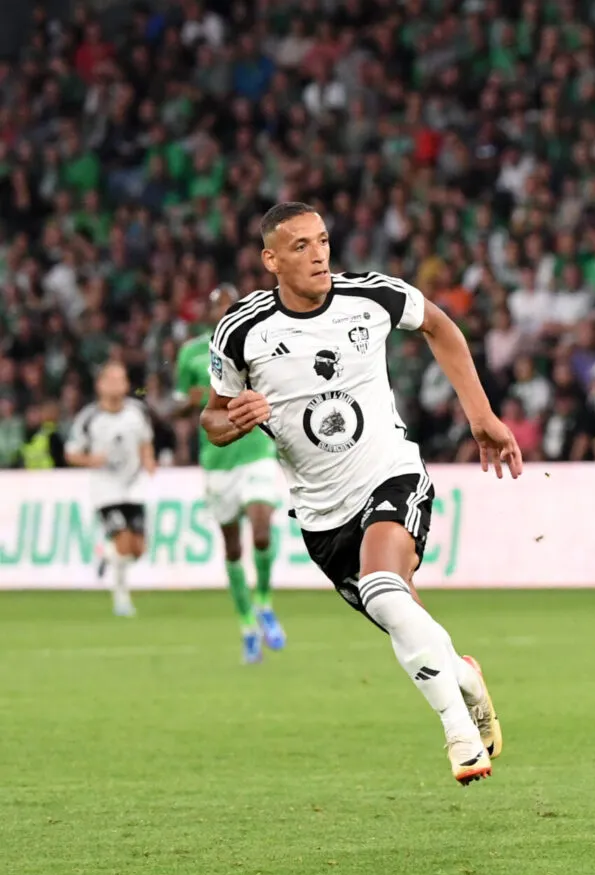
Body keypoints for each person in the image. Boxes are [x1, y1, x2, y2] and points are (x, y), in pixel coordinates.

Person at [200, 202, 522, 785]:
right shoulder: (240, 330)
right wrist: (234, 422)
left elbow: (440, 326)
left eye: (322, 240)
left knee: (384, 585)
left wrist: (481, 417)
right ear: (270, 259)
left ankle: (459, 734)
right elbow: (213, 419)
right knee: (399, 614)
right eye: (300, 246)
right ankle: (464, 676)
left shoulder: (371, 297)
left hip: (391, 474)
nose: (318, 253)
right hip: (322, 514)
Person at [174, 284, 287, 664]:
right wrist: (187, 405)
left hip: (255, 450)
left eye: (229, 304)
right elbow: (176, 407)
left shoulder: (258, 342)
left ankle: (265, 604)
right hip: (217, 460)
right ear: (208, 313)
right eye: (217, 305)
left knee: (260, 529)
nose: (223, 310)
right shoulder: (191, 353)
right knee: (233, 546)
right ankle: (246, 627)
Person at [65, 362, 156, 617]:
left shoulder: (137, 411)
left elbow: (146, 441)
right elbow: (71, 453)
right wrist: (89, 460)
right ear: (100, 385)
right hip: (106, 489)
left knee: (138, 550)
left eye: (122, 379)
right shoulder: (89, 417)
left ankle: (106, 555)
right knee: (124, 543)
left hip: (134, 485)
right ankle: (121, 599)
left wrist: (148, 459)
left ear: (127, 384)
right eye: (112, 379)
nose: (117, 385)